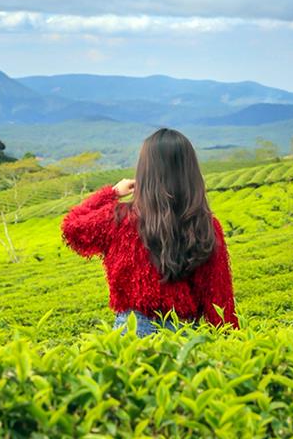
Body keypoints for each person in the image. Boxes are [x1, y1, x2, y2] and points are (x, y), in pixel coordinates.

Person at [61, 128, 239, 337]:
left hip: (132, 330)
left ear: (145, 170)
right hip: (183, 334)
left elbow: (71, 227)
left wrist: (112, 193)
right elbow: (219, 296)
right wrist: (232, 343)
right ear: (189, 171)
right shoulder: (204, 224)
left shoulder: (119, 219)